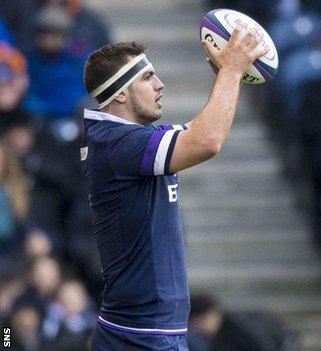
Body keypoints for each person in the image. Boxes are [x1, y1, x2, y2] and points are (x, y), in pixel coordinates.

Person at [82, 26, 268, 350]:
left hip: (150, 330)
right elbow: (206, 141)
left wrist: (228, 77)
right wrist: (231, 72)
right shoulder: (118, 145)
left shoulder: (127, 140)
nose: (160, 84)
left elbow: (200, 129)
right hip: (139, 335)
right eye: (147, 77)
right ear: (121, 93)